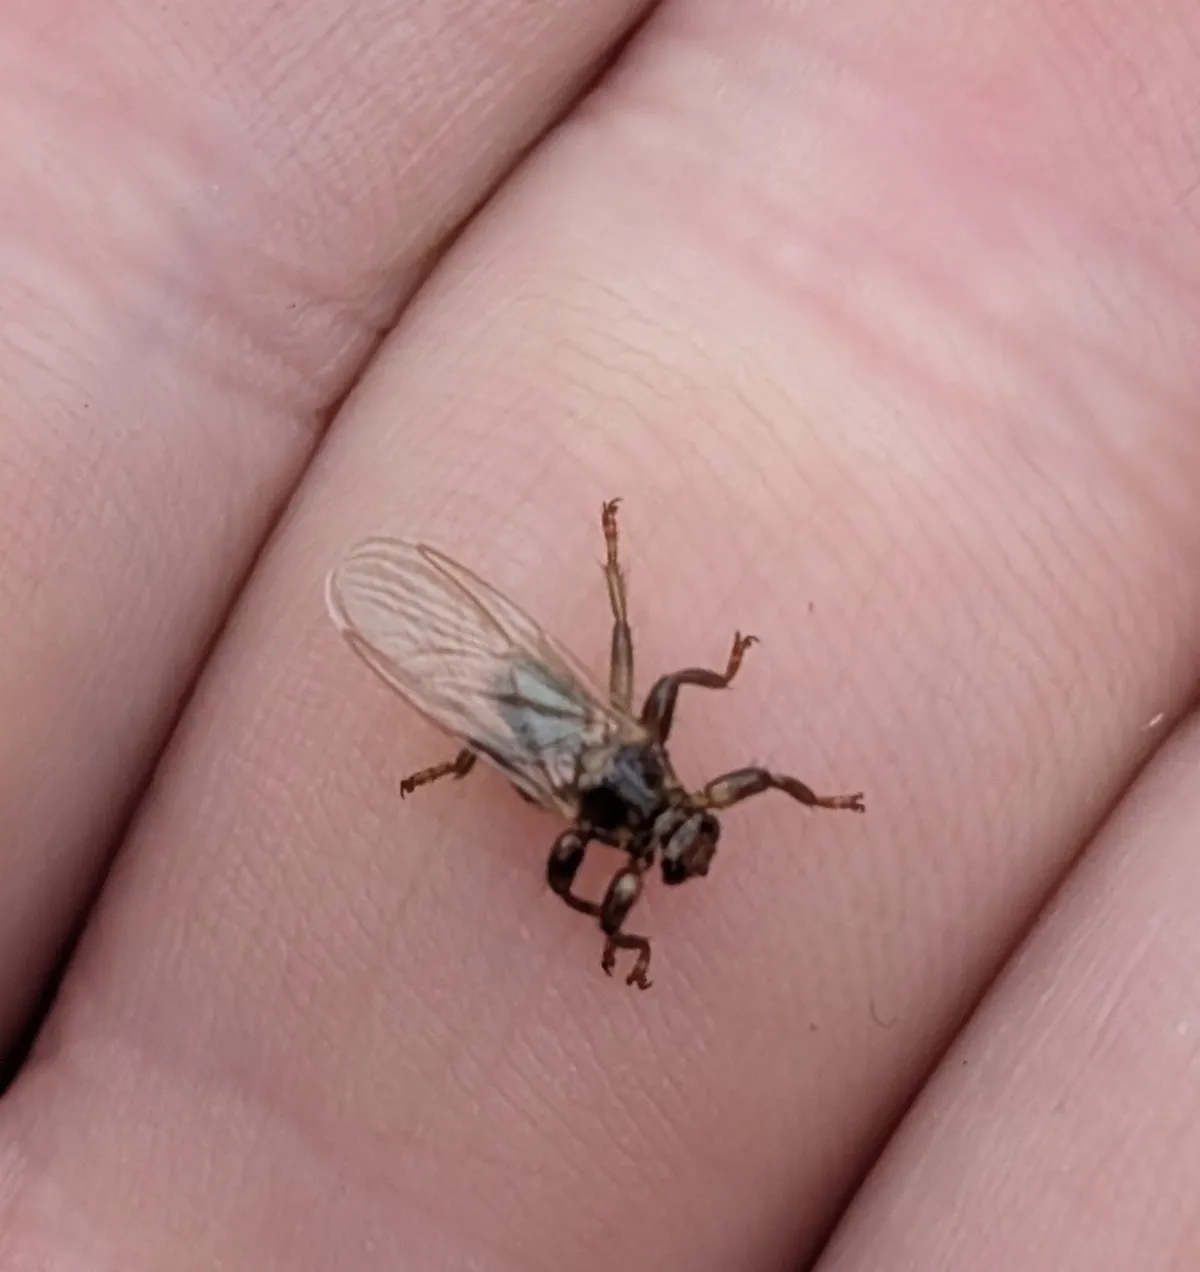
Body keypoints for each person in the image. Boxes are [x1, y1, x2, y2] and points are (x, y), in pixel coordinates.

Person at [0, 2, 1196, 1267]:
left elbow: (572, 864)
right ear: (666, 808)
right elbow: (583, 834)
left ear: (662, 818)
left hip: (543, 725)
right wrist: (595, 856)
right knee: (551, 680)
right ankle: (475, 735)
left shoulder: (615, 809)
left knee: (554, 687)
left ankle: (484, 727)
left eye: (671, 847)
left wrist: (631, 895)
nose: (680, 840)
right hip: (527, 714)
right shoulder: (621, 792)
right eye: (680, 839)